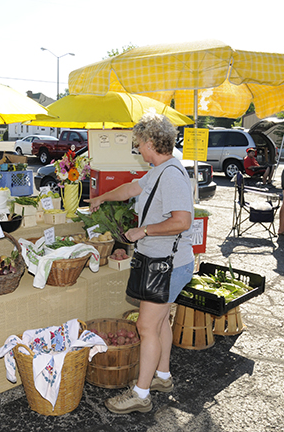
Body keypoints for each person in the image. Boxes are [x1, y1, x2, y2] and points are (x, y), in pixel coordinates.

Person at [87, 112, 194, 414]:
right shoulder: (160, 170)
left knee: (146, 327)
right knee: (159, 323)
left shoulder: (171, 174)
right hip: (166, 262)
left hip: (167, 264)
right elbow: (133, 189)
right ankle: (162, 376)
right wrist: (102, 197)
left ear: (150, 143)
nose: (138, 151)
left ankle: (140, 394)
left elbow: (182, 221)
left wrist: (144, 230)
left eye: (137, 145)